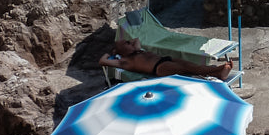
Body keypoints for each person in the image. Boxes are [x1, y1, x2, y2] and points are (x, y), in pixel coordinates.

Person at [99, 36, 234, 81]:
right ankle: (219, 70)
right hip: (159, 68)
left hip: (166, 60)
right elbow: (102, 61)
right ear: (122, 51)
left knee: (192, 66)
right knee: (190, 69)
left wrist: (129, 47)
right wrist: (112, 52)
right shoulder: (125, 61)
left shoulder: (137, 51)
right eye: (126, 43)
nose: (130, 42)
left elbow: (136, 39)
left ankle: (218, 72)